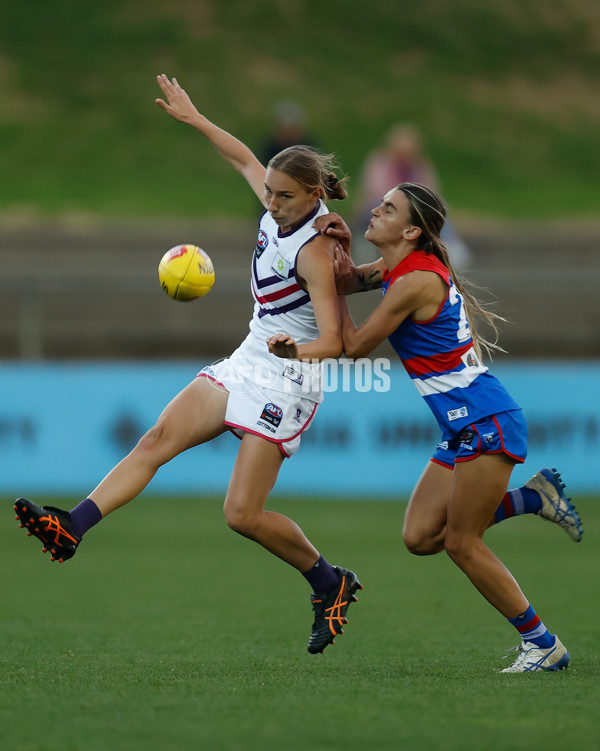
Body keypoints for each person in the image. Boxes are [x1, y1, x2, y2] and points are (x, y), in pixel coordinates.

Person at [13, 74, 362, 656]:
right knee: (155, 439)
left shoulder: (318, 249)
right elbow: (245, 158)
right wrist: (197, 119)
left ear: (313, 195)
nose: (270, 203)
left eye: (283, 197)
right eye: (269, 192)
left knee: (242, 514)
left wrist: (292, 352)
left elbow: (339, 340)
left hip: (290, 375)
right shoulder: (280, 206)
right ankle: (71, 527)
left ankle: (330, 582)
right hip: (249, 358)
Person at [305, 182, 583, 673]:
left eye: (388, 208)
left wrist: (326, 314)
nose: (376, 209)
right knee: (420, 537)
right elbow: (345, 282)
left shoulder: (414, 281)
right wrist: (339, 243)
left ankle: (543, 645)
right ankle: (531, 498)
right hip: (465, 426)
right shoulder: (396, 269)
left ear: (412, 230)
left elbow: (350, 347)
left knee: (460, 542)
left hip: (485, 420)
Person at [353, 124, 470, 269]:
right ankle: (367, 244)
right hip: (385, 203)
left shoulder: (419, 166)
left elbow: (431, 191)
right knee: (375, 207)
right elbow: (377, 190)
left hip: (411, 206)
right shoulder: (380, 163)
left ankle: (449, 245)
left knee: (439, 211)